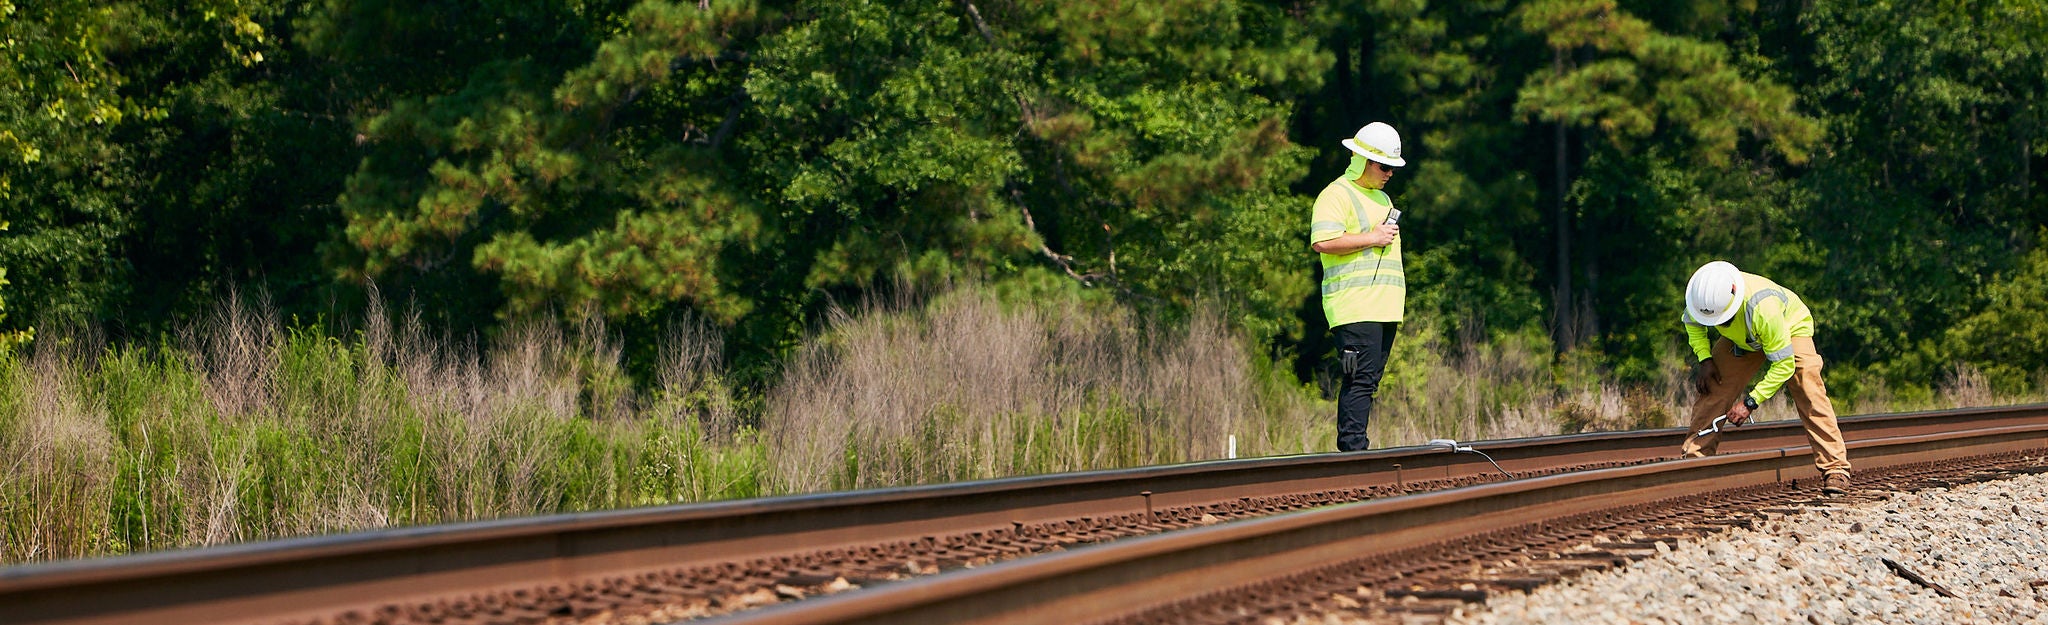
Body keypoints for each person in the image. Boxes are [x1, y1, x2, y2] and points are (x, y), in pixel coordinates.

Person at [1679, 260, 1852, 494]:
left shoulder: (1763, 310)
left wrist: (1751, 402)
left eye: (1723, 320)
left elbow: (1783, 365)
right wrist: (1705, 360)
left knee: (1808, 387)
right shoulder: (1702, 299)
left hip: (1789, 328)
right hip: (1744, 337)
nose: (1718, 324)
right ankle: (1695, 462)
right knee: (1714, 387)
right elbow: (1693, 325)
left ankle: (1835, 468)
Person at [1309, 122, 1407, 451]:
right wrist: (1372, 237)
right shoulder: (1336, 194)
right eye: (1385, 166)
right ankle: (1353, 452)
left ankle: (1356, 451)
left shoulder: (1381, 197)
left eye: (1393, 167)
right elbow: (1322, 242)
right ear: (1362, 159)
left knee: (1370, 381)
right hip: (1354, 306)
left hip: (1383, 308)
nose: (1390, 173)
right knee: (1359, 380)